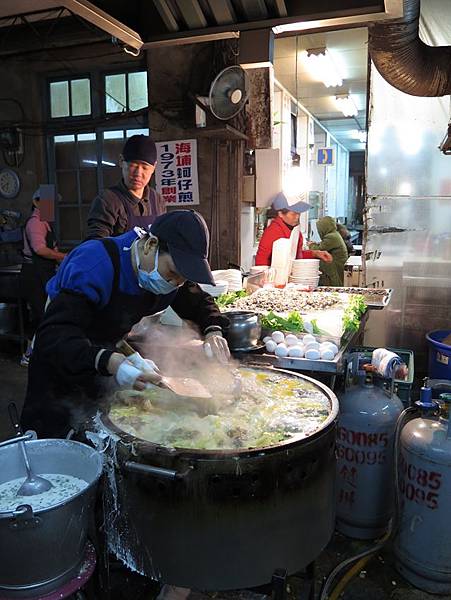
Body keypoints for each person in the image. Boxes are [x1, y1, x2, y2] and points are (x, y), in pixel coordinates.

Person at [21, 210, 230, 439]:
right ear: (150, 245)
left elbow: (198, 302)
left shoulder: (169, 277)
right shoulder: (96, 264)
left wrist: (213, 330)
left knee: (102, 437)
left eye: (182, 278)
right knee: (57, 446)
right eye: (173, 273)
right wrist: (111, 361)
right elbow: (55, 335)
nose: (176, 283)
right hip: (59, 365)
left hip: (103, 360)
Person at [85, 134, 165, 240]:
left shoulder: (157, 200)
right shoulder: (108, 200)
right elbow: (96, 245)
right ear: (121, 161)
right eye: (133, 165)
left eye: (145, 168)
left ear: (154, 167)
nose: (138, 173)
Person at [19, 189, 66, 366]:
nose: (51, 207)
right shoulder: (35, 222)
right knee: (42, 315)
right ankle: (29, 355)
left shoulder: (45, 222)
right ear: (37, 202)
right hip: (34, 275)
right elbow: (39, 249)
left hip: (42, 273)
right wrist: (63, 257)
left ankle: (43, 353)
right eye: (48, 203)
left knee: (46, 314)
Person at [255, 192, 332, 266]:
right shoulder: (272, 232)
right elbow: (261, 260)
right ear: (280, 214)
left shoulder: (294, 229)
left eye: (299, 213)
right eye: (293, 214)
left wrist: (316, 253)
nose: (297, 217)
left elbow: (296, 256)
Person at [309, 216, 348, 286]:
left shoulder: (331, 237)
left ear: (323, 228)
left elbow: (318, 249)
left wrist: (311, 244)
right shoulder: (335, 234)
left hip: (335, 266)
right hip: (339, 265)